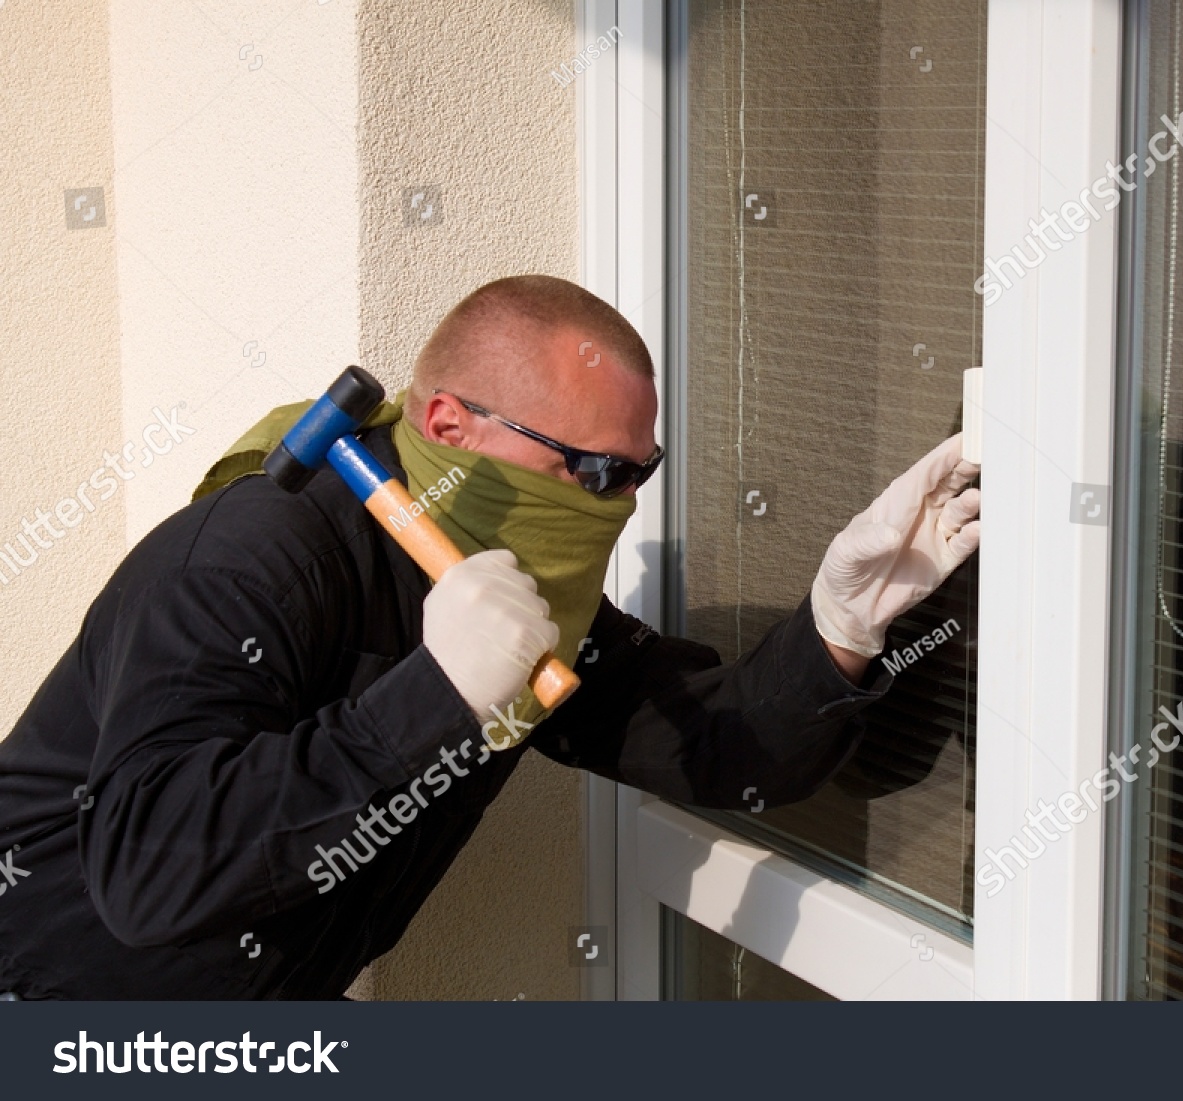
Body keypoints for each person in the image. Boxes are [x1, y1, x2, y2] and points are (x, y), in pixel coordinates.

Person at [0, 275, 981, 999]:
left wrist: (843, 621)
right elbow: (148, 875)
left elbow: (716, 749)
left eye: (640, 473)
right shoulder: (250, 558)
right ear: (447, 423)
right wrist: (433, 699)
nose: (619, 505)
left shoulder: (525, 595)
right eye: (593, 472)